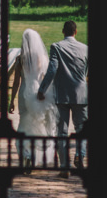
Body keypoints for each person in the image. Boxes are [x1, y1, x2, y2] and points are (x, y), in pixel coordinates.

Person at [38, 20, 89, 178]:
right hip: (81, 94)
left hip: (62, 95)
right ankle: (80, 155)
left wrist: (42, 89)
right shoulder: (86, 48)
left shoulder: (57, 47)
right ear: (76, 32)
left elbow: (52, 69)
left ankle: (64, 166)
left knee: (62, 131)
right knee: (81, 128)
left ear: (63, 31)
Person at [8, 29, 58, 172]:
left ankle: (26, 154)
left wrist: (11, 101)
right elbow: (46, 78)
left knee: (24, 124)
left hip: (24, 93)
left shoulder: (20, 59)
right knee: (37, 125)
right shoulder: (41, 58)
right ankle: (33, 155)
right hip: (37, 92)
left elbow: (16, 82)